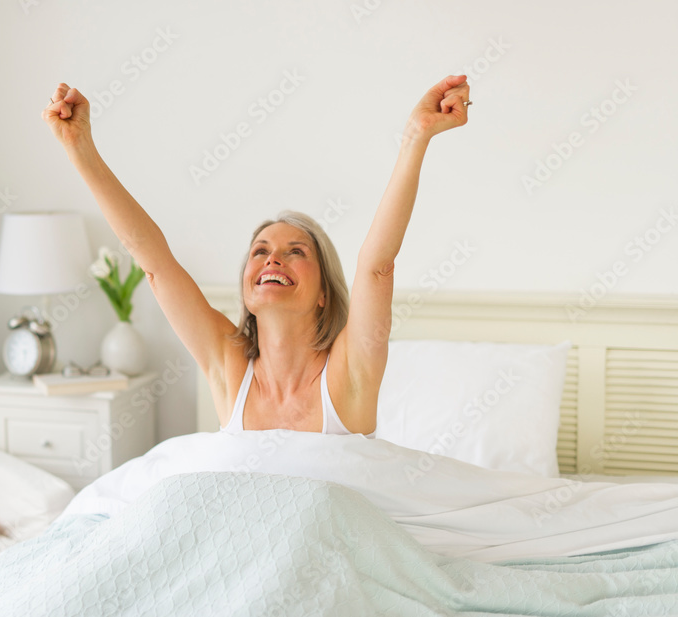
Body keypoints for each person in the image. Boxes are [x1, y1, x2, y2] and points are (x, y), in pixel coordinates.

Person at [42, 75, 471, 436]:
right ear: (247, 285)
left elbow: (377, 267)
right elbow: (154, 264)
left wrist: (415, 138)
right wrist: (80, 149)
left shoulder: (351, 368)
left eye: (295, 251)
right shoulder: (228, 364)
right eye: (260, 251)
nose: (272, 260)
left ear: (324, 291)